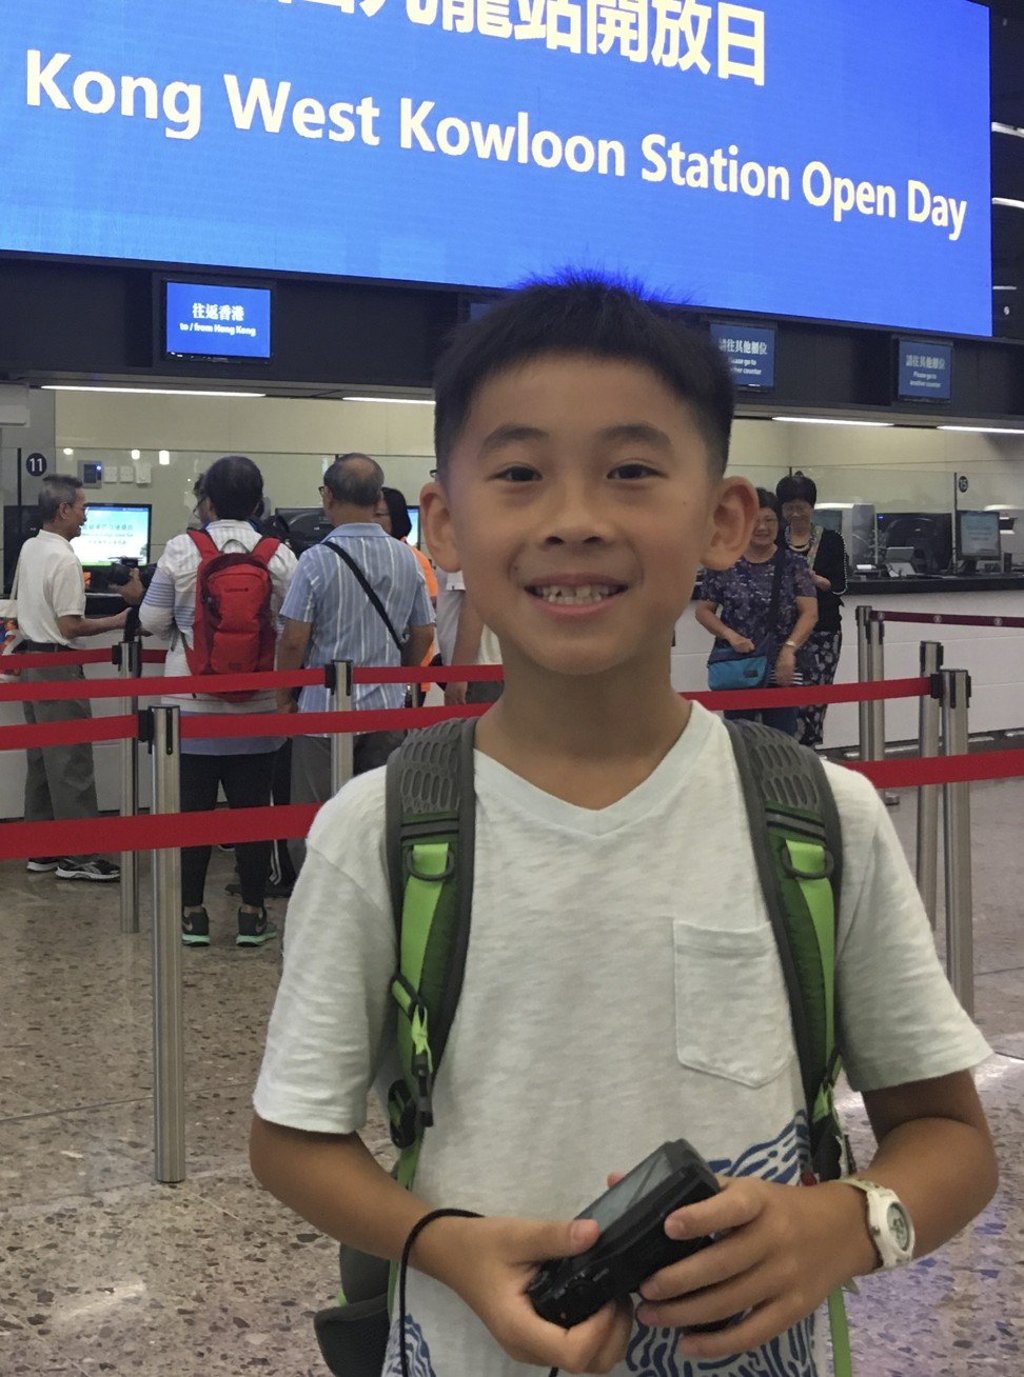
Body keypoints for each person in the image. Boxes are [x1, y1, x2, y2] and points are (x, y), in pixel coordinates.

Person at [250, 275, 996, 1377]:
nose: (576, 519)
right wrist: (447, 1247)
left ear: (722, 519)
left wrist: (842, 1225)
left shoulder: (814, 818)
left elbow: (948, 1140)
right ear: (445, 523)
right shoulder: (384, 829)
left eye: (633, 471)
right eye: (518, 474)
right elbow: (291, 1138)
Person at [139, 455, 297, 948]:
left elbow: (151, 621)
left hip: (189, 705)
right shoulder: (280, 555)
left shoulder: (181, 551)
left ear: (206, 500)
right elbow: (291, 626)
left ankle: (193, 915)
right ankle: (252, 915)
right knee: (252, 813)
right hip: (259, 706)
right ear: (258, 502)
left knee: (193, 815)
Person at [275, 455, 434, 853]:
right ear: (377, 496)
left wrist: (283, 695)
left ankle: (317, 903)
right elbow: (423, 630)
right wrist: (401, 673)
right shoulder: (406, 558)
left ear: (328, 497)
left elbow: (294, 639)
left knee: (315, 820)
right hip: (384, 710)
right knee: (376, 818)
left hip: (322, 713)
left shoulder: (315, 560)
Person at [16, 474, 129, 881]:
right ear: (63, 509)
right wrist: (117, 620)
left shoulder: (31, 547)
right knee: (71, 763)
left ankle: (42, 849)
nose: (86, 515)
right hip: (59, 668)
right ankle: (79, 856)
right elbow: (70, 627)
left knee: (43, 762)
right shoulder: (64, 559)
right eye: (83, 507)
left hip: (32, 666)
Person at [695, 489, 818, 738]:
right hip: (739, 663)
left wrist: (790, 648)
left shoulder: (794, 563)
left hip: (781, 665)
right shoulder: (724, 564)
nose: (762, 527)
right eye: (755, 521)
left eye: (769, 520)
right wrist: (730, 635)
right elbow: (704, 611)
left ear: (779, 523)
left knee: (782, 739)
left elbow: (810, 612)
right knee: (740, 737)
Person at [776, 472, 848, 749]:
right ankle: (785, 750)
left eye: (801, 507)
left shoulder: (831, 540)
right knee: (784, 697)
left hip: (823, 630)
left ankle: (811, 749)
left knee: (815, 697)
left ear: (812, 507)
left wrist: (815, 580)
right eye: (789, 508)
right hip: (785, 630)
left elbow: (840, 585)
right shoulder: (775, 540)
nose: (795, 513)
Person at [435, 570, 504, 706]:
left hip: (475, 672)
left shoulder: (463, 551)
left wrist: (459, 675)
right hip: (489, 668)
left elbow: (474, 607)